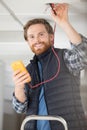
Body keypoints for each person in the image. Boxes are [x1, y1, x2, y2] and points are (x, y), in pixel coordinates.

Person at [12, 3, 87, 130]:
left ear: (51, 38)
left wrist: (64, 23)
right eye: (32, 37)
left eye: (41, 34)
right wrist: (18, 87)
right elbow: (20, 108)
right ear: (28, 42)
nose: (36, 40)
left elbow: (83, 55)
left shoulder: (64, 57)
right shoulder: (27, 70)